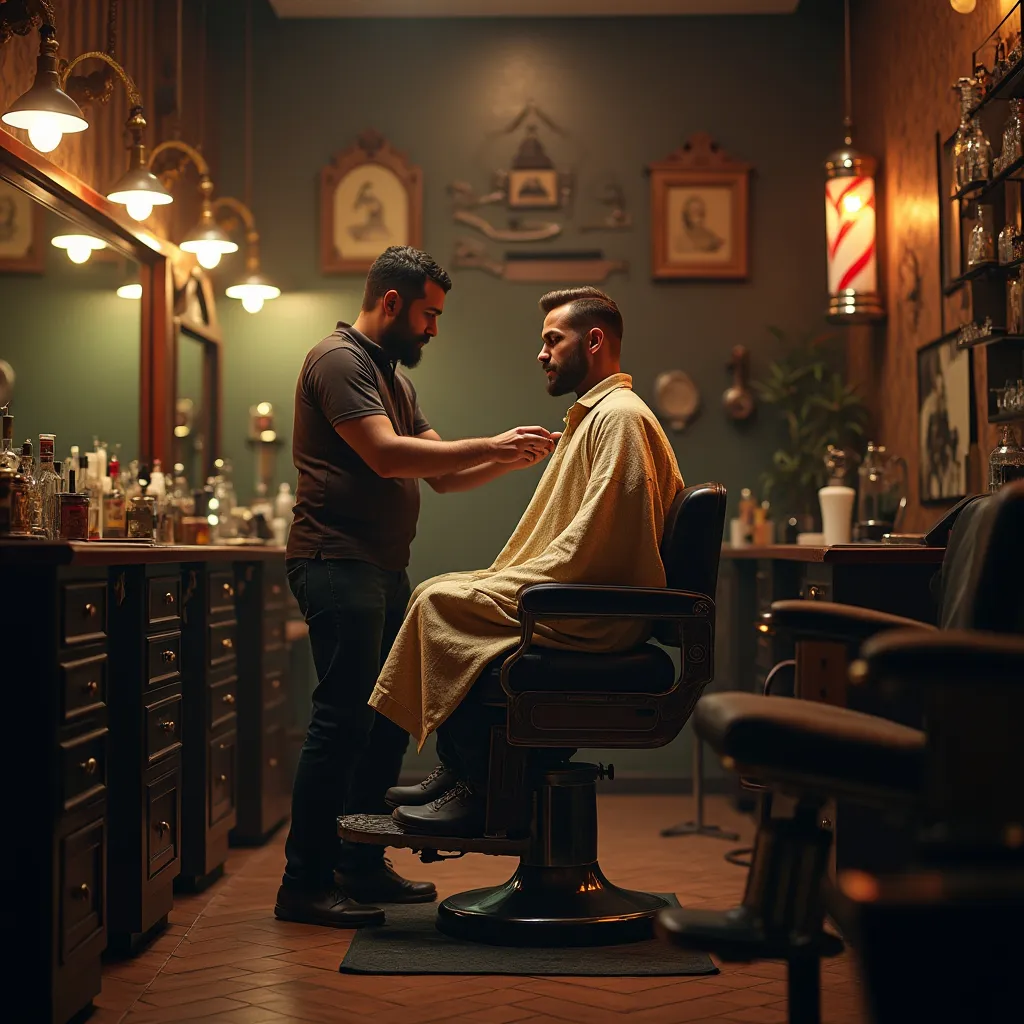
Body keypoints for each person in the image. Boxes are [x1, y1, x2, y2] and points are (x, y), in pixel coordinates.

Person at [276, 246, 558, 927]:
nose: (435, 329)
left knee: (383, 719)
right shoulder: (340, 362)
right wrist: (490, 444)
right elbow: (387, 454)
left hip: (377, 566)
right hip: (335, 561)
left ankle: (359, 866)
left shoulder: (391, 377)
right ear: (393, 303)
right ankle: (304, 882)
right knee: (340, 722)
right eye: (430, 314)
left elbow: (442, 473)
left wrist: (511, 459)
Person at [370, 287, 685, 837]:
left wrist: (517, 582)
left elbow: (602, 545)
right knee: (438, 595)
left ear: (593, 341)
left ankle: (479, 788)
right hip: (581, 597)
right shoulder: (599, 415)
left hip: (595, 610)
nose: (541, 353)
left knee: (440, 601)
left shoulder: (621, 419)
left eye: (552, 340)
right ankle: (466, 770)